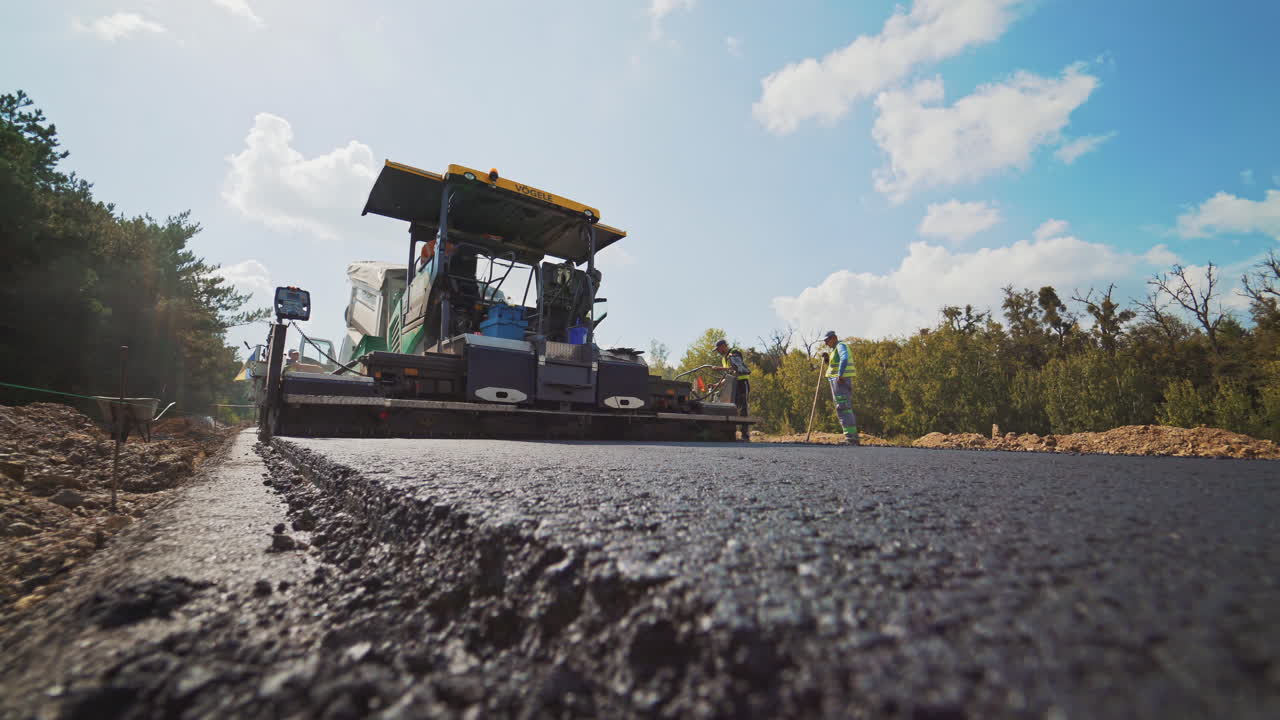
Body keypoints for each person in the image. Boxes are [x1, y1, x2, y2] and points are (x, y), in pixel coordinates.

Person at [821, 330, 859, 445]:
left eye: (827, 340)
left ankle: (851, 438)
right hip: (836, 381)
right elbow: (834, 365)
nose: (826, 343)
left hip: (841, 381)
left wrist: (841, 374)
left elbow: (844, 358)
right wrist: (827, 360)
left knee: (843, 407)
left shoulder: (840, 346)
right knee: (841, 407)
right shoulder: (834, 350)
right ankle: (850, 437)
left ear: (834, 338)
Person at [714, 339, 751, 442]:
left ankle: (745, 435)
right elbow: (728, 376)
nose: (718, 351)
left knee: (743, 408)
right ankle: (731, 434)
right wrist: (716, 385)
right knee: (731, 408)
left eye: (718, 349)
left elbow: (735, 367)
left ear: (724, 346)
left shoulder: (734, 353)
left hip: (742, 383)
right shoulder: (724, 359)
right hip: (733, 385)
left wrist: (719, 368)